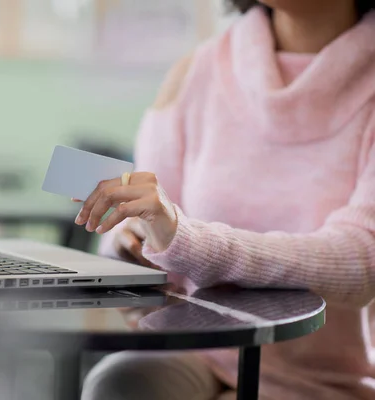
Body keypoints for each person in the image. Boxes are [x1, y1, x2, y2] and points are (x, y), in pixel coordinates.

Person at [78, 0, 375, 399]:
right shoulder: (197, 71)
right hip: (197, 350)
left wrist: (186, 241)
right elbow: (143, 224)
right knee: (120, 381)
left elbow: (361, 259)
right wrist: (129, 242)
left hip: (318, 381)